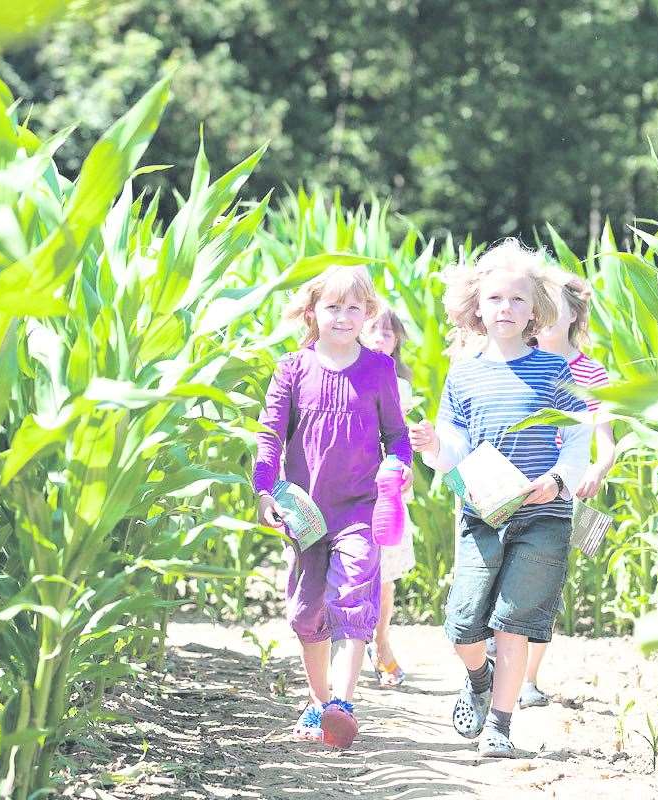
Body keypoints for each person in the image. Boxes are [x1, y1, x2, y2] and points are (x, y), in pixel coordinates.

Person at [408, 239, 591, 758]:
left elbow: (578, 437)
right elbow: (457, 444)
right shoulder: (464, 374)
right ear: (476, 308)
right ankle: (478, 675)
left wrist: (556, 481)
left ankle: (502, 728)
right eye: (495, 299)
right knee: (464, 624)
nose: (505, 309)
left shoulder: (557, 371)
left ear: (536, 309)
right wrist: (435, 446)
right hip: (483, 515)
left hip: (544, 514)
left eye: (516, 300)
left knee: (513, 622)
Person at [253, 266, 411, 750]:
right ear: (312, 312)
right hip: (306, 513)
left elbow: (397, 439)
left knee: (355, 595)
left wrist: (395, 469)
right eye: (332, 307)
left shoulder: (379, 370)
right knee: (306, 614)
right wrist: (264, 491)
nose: (343, 316)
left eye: (354, 308)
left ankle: (342, 703)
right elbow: (270, 432)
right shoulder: (292, 369)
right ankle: (319, 704)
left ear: (367, 314)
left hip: (359, 508)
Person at [514, 268, 614, 708]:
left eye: (559, 303)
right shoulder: (518, 359)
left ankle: (528, 679)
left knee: (542, 581)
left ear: (575, 313)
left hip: (563, 492)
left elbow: (607, 442)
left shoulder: (591, 372)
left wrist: (596, 468)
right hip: (514, 486)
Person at [359, 306, 417, 688]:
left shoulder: (402, 384)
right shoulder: (346, 374)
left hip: (388, 489)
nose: (381, 337)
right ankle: (347, 647)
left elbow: (400, 436)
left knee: (385, 577)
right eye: (374, 330)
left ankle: (381, 646)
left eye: (389, 333)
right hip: (351, 485)